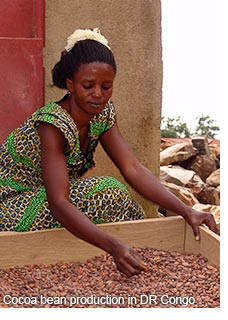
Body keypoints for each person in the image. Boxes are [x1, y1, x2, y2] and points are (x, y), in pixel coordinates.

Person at [0, 28, 216, 277]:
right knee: (107, 192)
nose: (98, 95)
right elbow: (58, 203)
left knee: (118, 197)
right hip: (10, 204)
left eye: (106, 86)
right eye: (88, 86)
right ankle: (125, 252)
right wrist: (113, 247)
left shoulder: (102, 114)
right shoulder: (52, 124)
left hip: (44, 201)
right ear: (70, 84)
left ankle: (141, 257)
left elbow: (132, 168)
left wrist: (187, 211)